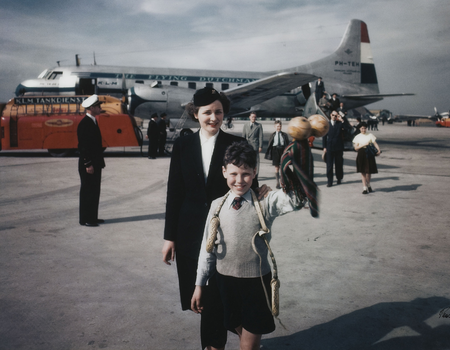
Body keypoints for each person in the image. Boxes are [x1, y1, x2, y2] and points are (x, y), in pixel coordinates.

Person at [162, 87, 269, 350]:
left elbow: (245, 179)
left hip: (225, 235)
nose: (213, 117)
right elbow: (174, 191)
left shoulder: (235, 144)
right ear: (195, 114)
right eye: (207, 112)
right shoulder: (183, 144)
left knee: (217, 301)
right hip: (188, 234)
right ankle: (228, 338)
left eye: (218, 112)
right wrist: (169, 237)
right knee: (200, 300)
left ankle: (218, 344)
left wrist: (260, 189)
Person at [191, 141, 302, 350]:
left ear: (255, 171)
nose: (239, 180)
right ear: (224, 172)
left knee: (248, 346)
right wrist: (199, 285)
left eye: (246, 174)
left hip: (256, 283)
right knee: (240, 331)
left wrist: (292, 171)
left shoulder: (265, 201)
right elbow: (207, 251)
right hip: (225, 283)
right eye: (233, 174)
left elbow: (296, 200)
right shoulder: (217, 205)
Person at [77, 94, 105, 227]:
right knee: (88, 191)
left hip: (95, 163)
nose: (100, 108)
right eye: (98, 106)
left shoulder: (93, 121)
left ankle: (93, 216)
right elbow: (83, 147)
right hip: (88, 164)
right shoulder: (85, 124)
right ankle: (85, 219)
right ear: (92, 108)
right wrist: (88, 163)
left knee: (95, 190)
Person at [352, 122, 381, 194]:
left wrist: (379, 150)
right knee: (363, 171)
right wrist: (363, 145)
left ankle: (368, 184)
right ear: (359, 129)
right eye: (362, 128)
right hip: (361, 153)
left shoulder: (370, 135)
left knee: (368, 171)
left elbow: (375, 143)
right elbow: (356, 148)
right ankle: (364, 187)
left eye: (364, 128)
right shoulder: (357, 137)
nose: (363, 130)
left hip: (369, 153)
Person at [322, 111, 345, 187]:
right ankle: (330, 181)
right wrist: (324, 147)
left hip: (338, 148)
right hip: (329, 148)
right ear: (330, 115)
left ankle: (339, 178)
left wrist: (342, 120)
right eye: (333, 115)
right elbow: (324, 137)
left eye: (336, 116)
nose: (334, 117)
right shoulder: (327, 125)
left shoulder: (340, 124)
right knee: (329, 165)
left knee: (339, 164)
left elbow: (347, 130)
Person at [265, 120, 290, 189]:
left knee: (283, 167)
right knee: (276, 167)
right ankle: (277, 182)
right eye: (277, 126)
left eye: (280, 126)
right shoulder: (272, 135)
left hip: (282, 150)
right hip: (275, 150)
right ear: (275, 127)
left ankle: (283, 182)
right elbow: (270, 144)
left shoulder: (284, 135)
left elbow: (287, 144)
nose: (279, 127)